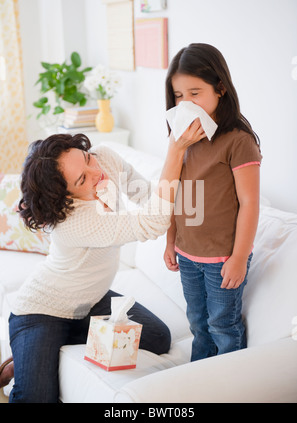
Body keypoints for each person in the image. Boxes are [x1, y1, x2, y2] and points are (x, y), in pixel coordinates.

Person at [2, 128, 206, 403]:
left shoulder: (105, 159)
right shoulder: (74, 221)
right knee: (36, 398)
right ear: (65, 197)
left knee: (158, 338)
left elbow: (147, 196)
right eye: (82, 178)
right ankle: (33, 347)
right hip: (41, 311)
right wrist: (176, 149)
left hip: (91, 301)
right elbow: (151, 222)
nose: (96, 171)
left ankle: (38, 351)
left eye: (87, 158)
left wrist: (181, 228)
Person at [163, 43, 262, 362]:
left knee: (223, 325)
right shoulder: (181, 140)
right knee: (198, 324)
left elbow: (249, 203)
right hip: (187, 255)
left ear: (220, 88)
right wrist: (170, 240)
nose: (185, 103)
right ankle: (198, 377)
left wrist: (238, 257)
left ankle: (229, 385)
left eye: (195, 93)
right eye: (179, 96)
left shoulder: (238, 140)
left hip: (223, 258)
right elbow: (175, 193)